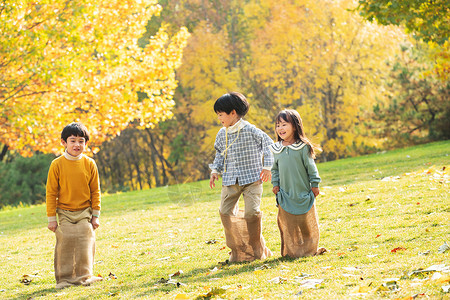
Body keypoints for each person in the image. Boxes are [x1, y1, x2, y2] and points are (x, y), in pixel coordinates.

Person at [209, 92, 273, 262]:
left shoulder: (251, 130)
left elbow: (269, 145)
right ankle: (238, 251)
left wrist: (267, 167)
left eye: (221, 114)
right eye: (218, 115)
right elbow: (219, 155)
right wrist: (215, 171)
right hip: (230, 180)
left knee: (252, 214)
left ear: (233, 113)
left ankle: (258, 251)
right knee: (225, 212)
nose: (219, 118)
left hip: (252, 179)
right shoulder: (221, 134)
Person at [46, 122, 103, 289]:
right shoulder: (57, 164)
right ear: (64, 142)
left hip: (85, 211)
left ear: (85, 143)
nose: (77, 145)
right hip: (64, 212)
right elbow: (51, 193)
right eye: (72, 141)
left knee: (86, 239)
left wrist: (96, 215)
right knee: (66, 241)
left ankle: (85, 277)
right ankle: (64, 279)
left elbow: (95, 191)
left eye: (81, 141)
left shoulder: (90, 164)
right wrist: (52, 219)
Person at [269, 109, 323, 258]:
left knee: (304, 221)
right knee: (290, 223)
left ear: (295, 125)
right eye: (277, 125)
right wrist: (275, 184)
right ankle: (292, 251)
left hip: (302, 191)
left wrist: (315, 184)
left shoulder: (303, 147)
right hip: (285, 193)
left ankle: (308, 248)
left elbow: (311, 167)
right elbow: (275, 170)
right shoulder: (276, 149)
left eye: (284, 124)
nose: (280, 128)